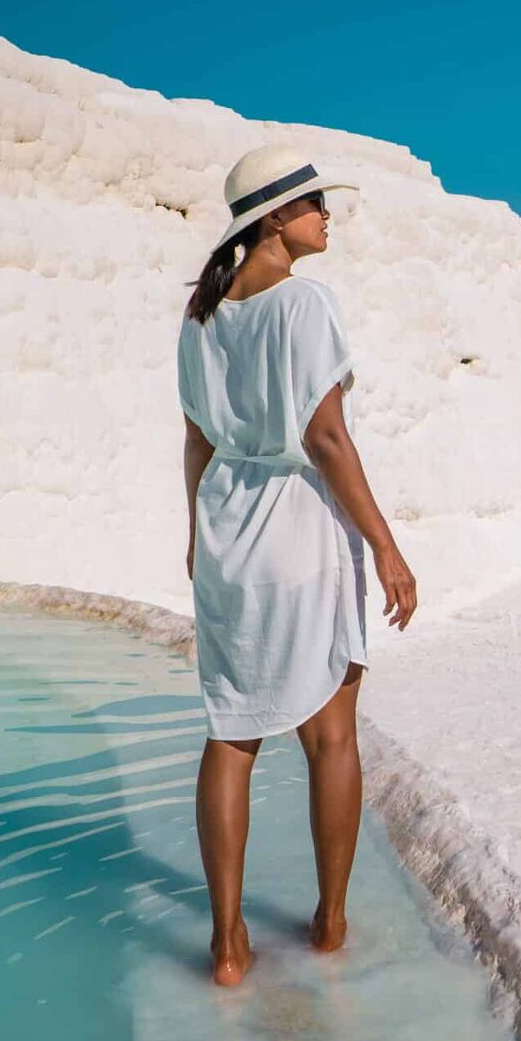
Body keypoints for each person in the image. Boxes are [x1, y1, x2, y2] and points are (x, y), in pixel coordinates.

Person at [180, 145, 417, 987]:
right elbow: (324, 438)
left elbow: (198, 439)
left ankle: (228, 943)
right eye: (314, 203)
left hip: (227, 526)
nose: (327, 215)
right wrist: (386, 546)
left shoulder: (203, 316)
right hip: (298, 528)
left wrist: (194, 535)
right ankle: (329, 922)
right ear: (274, 220)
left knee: (232, 730)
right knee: (331, 732)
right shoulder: (305, 303)